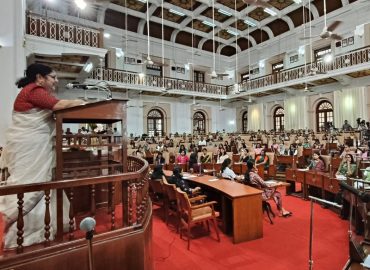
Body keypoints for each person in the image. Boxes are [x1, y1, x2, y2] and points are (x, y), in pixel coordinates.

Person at [0, 63, 85, 249]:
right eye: (53, 77)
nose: (56, 81)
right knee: (29, 185)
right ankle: (7, 227)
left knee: (39, 186)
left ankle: (35, 229)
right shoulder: (34, 90)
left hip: (34, 146)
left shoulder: (33, 91)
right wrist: (84, 103)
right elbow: (60, 105)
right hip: (31, 146)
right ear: (40, 78)